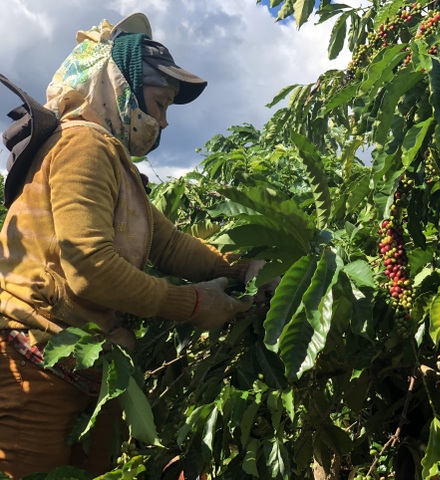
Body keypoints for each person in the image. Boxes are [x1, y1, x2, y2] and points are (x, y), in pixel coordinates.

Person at [0, 13, 268, 478]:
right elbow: (89, 265)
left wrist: (244, 269)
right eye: (160, 103)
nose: (162, 121)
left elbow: (171, 246)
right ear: (119, 85)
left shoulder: (117, 165)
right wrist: (191, 304)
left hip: (85, 368)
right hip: (35, 363)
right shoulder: (84, 146)